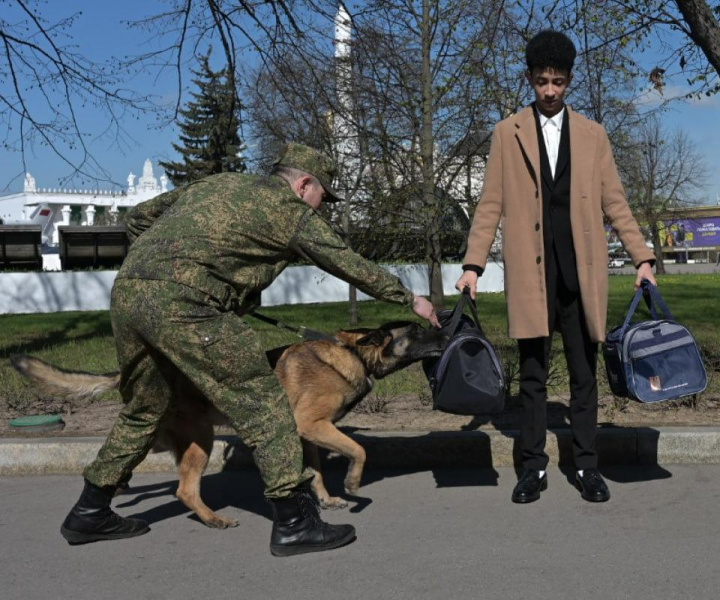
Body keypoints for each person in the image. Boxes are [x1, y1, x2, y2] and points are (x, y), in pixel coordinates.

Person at [60, 143, 440, 555]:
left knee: (145, 409)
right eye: (322, 198)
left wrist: (155, 266)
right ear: (303, 183)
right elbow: (345, 262)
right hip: (188, 306)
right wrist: (408, 299)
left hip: (130, 296)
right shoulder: (290, 211)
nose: (321, 207)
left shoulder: (221, 182)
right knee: (263, 402)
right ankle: (295, 523)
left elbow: (138, 218)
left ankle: (89, 511)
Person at [455, 31, 657, 504]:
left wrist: (642, 257)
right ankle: (533, 470)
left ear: (569, 82)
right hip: (532, 273)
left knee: (585, 374)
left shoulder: (593, 134)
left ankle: (588, 467)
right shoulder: (508, 133)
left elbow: (616, 202)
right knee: (532, 376)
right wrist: (473, 265)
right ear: (529, 78)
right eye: (543, 81)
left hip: (581, 274)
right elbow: (491, 204)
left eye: (559, 82)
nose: (550, 91)